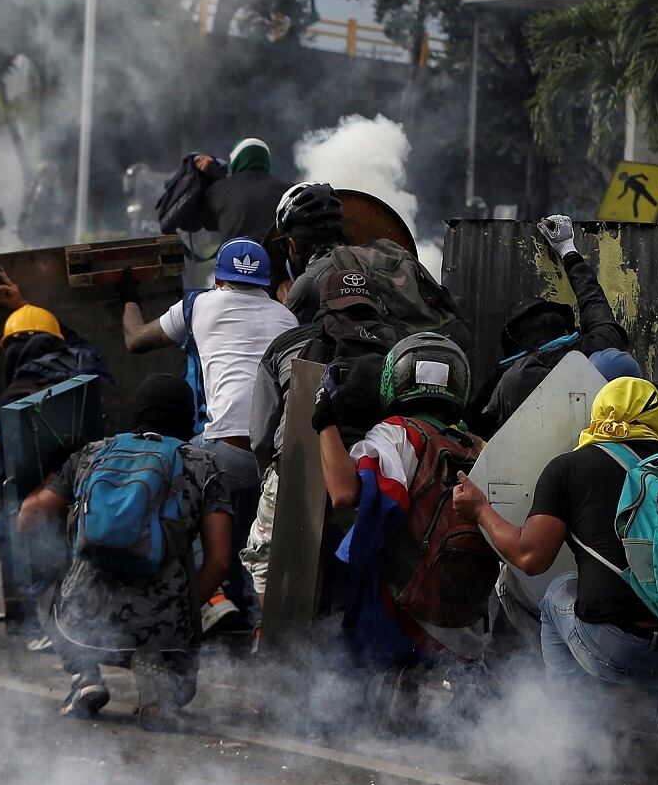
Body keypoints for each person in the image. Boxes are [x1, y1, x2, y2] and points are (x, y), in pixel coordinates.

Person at [453, 377, 658, 781]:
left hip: (614, 648)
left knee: (558, 593)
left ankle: (581, 728)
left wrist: (480, 510)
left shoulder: (569, 467)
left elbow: (530, 557)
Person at [17, 374, 233, 728]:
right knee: (181, 689)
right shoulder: (204, 465)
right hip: (164, 621)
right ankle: (156, 674)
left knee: (49, 588)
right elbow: (220, 560)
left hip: (85, 617)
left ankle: (84, 677)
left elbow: (29, 517)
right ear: (190, 415)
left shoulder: (92, 453)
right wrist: (186, 613)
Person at [119, 237, 295, 635]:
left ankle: (208, 600)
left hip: (223, 452)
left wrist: (129, 298)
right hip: (274, 461)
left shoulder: (199, 305)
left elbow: (134, 341)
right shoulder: (286, 318)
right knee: (256, 531)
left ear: (219, 278)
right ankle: (258, 616)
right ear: (266, 283)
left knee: (168, 487)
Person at [320, 332, 499, 693]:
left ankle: (392, 682)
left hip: (401, 614)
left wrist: (323, 421)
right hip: (468, 620)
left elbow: (344, 495)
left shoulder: (398, 434)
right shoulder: (481, 447)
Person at [242, 268, 399, 598]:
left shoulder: (287, 344)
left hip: (301, 469)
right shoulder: (396, 345)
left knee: (265, 561)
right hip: (373, 471)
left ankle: (269, 639)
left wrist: (271, 477)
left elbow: (260, 433)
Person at [0, 275, 114, 647]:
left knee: (6, 535)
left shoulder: (13, 400)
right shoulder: (84, 363)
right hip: (97, 482)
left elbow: (8, 482)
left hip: (47, 498)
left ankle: (51, 620)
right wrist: (24, 305)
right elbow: (71, 339)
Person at [469, 214, 631, 436]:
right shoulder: (592, 349)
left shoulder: (501, 379)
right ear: (565, 329)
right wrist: (568, 251)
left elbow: (472, 430)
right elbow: (595, 305)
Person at [275, 180, 470, 350]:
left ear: (294, 243)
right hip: (446, 347)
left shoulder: (310, 282)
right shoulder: (390, 250)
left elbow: (294, 345)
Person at [196, 139, 290, 274]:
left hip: (232, 272)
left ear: (236, 160)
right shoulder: (287, 189)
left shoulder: (218, 189)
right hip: (276, 275)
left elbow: (206, 223)